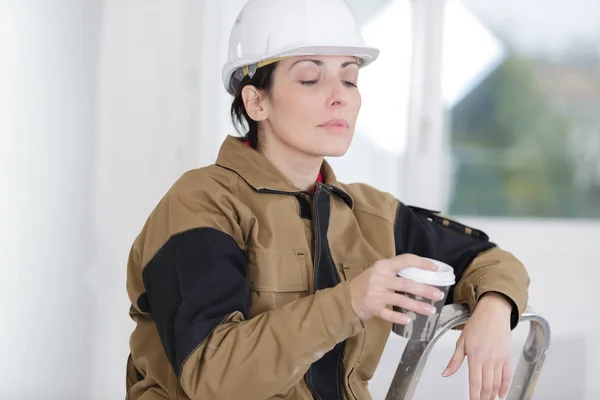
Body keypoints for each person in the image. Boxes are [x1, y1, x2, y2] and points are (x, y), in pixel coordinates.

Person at [124, 0, 530, 399]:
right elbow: (213, 377)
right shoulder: (202, 204)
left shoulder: (371, 215)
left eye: (350, 79)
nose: (340, 96)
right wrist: (352, 301)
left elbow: (488, 259)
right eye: (310, 78)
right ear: (256, 101)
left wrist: (494, 309)